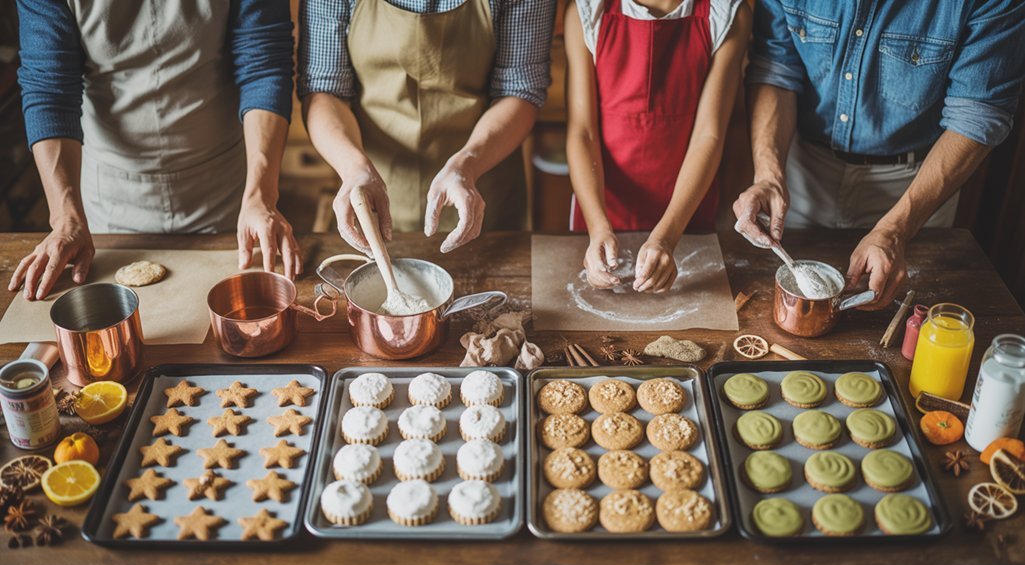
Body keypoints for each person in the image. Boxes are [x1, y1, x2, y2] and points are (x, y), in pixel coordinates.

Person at [734, 0, 1025, 309]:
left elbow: (977, 115)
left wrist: (896, 230)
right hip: (805, 175)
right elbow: (776, 68)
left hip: (914, 185)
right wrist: (768, 175)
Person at [9, 0, 300, 301]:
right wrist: (65, 217)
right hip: (109, 198)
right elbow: (51, 89)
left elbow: (263, 66)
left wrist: (260, 196)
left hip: (226, 191)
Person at [299, 0, 554, 255]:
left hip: (483, 185)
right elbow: (324, 90)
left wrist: (468, 165)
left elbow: (519, 89)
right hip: (372, 191)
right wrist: (354, 169)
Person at [565, 0, 751, 293]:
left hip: (687, 210)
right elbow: (582, 132)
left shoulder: (727, 15)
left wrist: (667, 236)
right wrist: (598, 228)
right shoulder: (587, 12)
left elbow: (709, 135)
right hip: (600, 207)